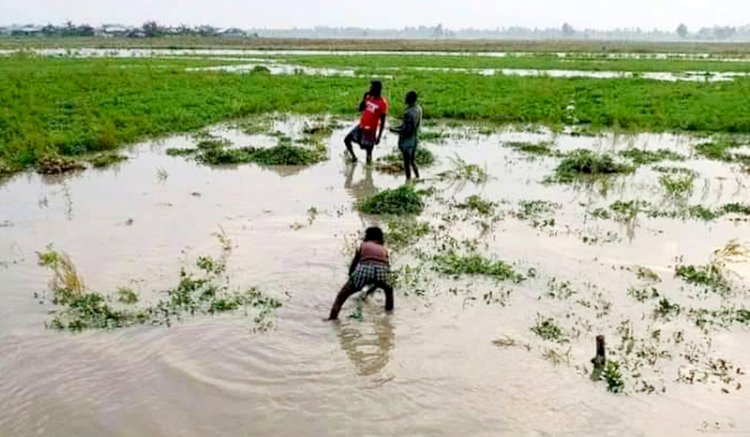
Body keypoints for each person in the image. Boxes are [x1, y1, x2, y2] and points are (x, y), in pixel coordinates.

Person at [327, 227, 394, 320]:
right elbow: (386, 266)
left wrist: (351, 276)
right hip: (382, 271)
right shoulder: (384, 249)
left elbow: (355, 262)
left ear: (368, 236)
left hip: (365, 269)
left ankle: (332, 318)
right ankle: (389, 314)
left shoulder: (363, 245)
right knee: (389, 291)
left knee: (341, 296)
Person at [344, 81, 388, 164]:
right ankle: (354, 157)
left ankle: (368, 172)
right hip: (361, 126)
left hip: (370, 131)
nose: (369, 89)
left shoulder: (382, 103)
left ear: (377, 89)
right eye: (370, 87)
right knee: (347, 140)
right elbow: (360, 109)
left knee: (368, 153)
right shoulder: (369, 98)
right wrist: (364, 98)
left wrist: (379, 136)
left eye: (371, 88)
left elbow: (382, 122)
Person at [390, 90, 422, 181]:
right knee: (412, 161)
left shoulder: (408, 112)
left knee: (406, 164)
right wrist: (398, 127)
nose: (405, 98)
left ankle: (408, 182)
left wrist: (394, 130)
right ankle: (417, 177)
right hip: (414, 139)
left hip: (407, 141)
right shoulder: (418, 108)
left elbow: (406, 130)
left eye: (406, 97)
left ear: (409, 99)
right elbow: (408, 126)